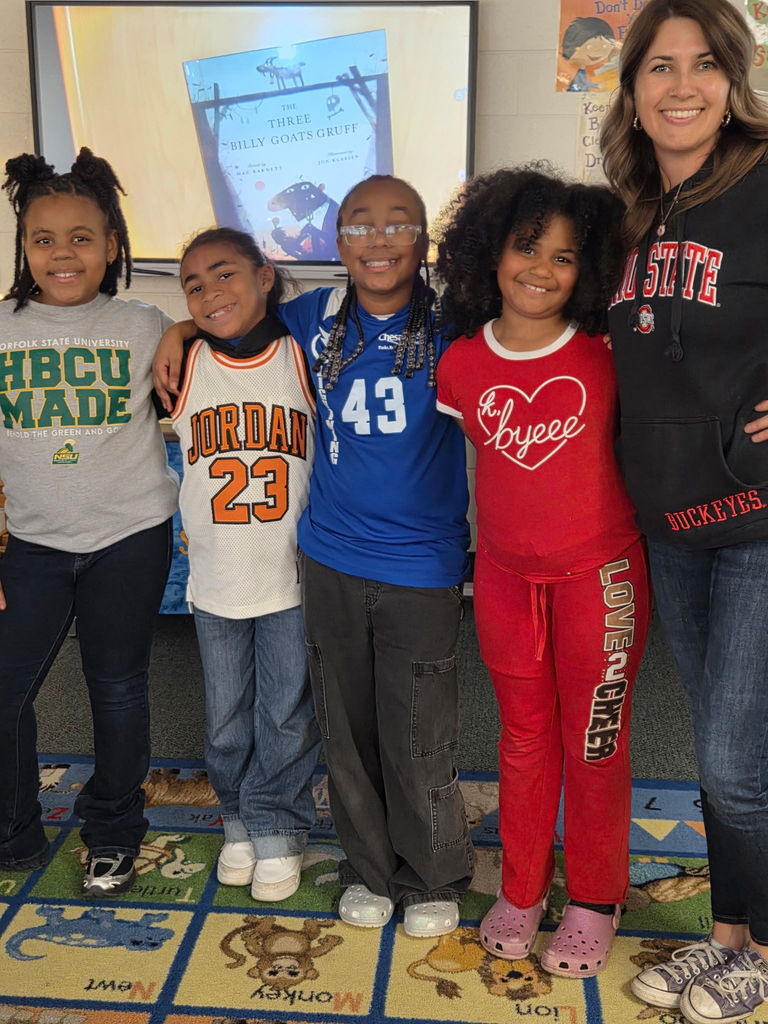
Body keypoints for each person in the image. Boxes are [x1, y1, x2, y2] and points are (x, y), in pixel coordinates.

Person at [153, 175, 473, 937]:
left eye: (398, 223)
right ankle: (367, 869)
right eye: (360, 225)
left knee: (418, 727)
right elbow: (232, 319)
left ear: (422, 240)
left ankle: (430, 876)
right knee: (346, 729)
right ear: (338, 245)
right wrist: (178, 331)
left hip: (423, 565)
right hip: (326, 558)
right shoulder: (316, 316)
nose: (378, 237)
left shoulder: (458, 322)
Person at [435, 166, 650, 977]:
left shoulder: (606, 355)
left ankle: (596, 895)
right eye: (528, 248)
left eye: (565, 258)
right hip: (502, 580)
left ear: (587, 271)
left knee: (594, 743)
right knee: (523, 740)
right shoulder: (459, 365)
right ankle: (523, 886)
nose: (541, 269)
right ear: (491, 251)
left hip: (603, 581)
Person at [601, 1, 768, 1020]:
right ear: (631, 89)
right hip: (673, 522)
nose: (680, 86)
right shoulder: (632, 212)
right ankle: (727, 935)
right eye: (659, 67)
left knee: (740, 765)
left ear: (733, 77)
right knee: (718, 746)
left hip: (757, 520)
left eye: (703, 65)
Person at [0, 149, 178, 896]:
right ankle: (14, 828)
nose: (63, 253)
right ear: (24, 248)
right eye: (44, 239)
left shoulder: (146, 325)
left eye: (82, 237)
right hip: (31, 544)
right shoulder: (3, 330)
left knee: (117, 689)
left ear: (113, 245)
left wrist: (186, 328)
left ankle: (112, 829)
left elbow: (221, 330)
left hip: (129, 538)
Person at [171, 227, 320, 900]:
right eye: (193, 286)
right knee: (227, 718)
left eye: (224, 274)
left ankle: (279, 826)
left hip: (288, 575)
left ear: (265, 276)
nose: (209, 293)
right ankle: (237, 814)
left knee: (286, 714)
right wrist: (177, 330)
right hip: (218, 577)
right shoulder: (183, 362)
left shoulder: (301, 354)